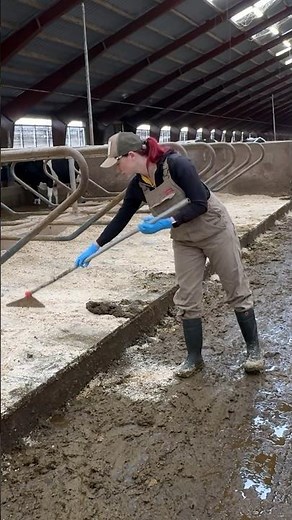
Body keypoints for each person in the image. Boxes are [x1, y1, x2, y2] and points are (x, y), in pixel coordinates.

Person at [75, 132, 264, 377]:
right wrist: (95, 246)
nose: (117, 168)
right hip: (185, 240)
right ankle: (194, 358)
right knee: (186, 298)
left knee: (235, 287)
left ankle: (253, 350)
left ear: (131, 155)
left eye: (118, 161)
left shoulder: (177, 165)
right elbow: (122, 217)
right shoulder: (139, 184)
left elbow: (199, 202)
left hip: (215, 230)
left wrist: (165, 223)